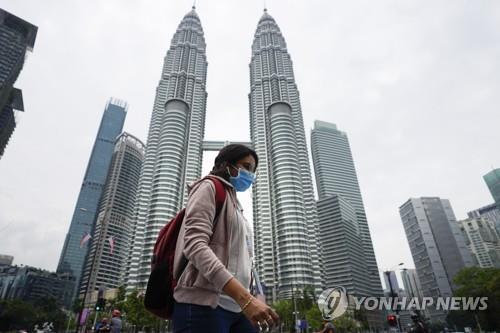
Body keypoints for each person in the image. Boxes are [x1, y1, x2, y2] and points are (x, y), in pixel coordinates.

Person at [172, 144, 279, 333]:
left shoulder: (237, 206)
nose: (250, 174)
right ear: (227, 165)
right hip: (204, 306)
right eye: (245, 166)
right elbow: (195, 245)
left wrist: (254, 296)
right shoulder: (209, 187)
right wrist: (245, 299)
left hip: (239, 309)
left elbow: (245, 262)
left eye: (253, 170)